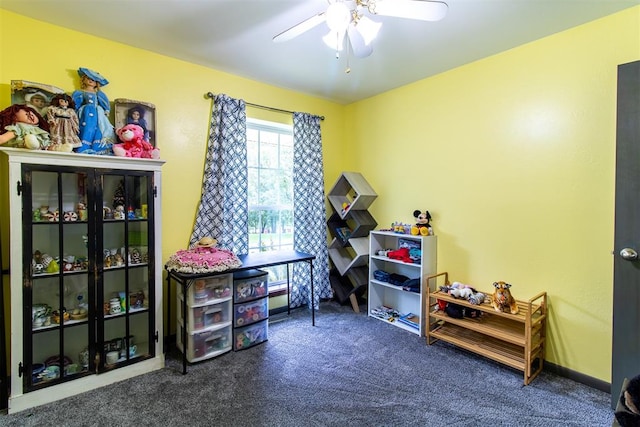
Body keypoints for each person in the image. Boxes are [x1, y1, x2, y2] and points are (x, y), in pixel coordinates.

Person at [72, 67, 116, 154]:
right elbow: (76, 104)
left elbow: (104, 103)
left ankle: (96, 147)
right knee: (86, 128)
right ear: (84, 80)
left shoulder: (98, 94)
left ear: (96, 83)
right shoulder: (81, 93)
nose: (90, 81)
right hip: (85, 113)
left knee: (97, 128)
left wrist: (106, 110)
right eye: (88, 78)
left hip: (97, 113)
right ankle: (83, 146)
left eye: (93, 80)